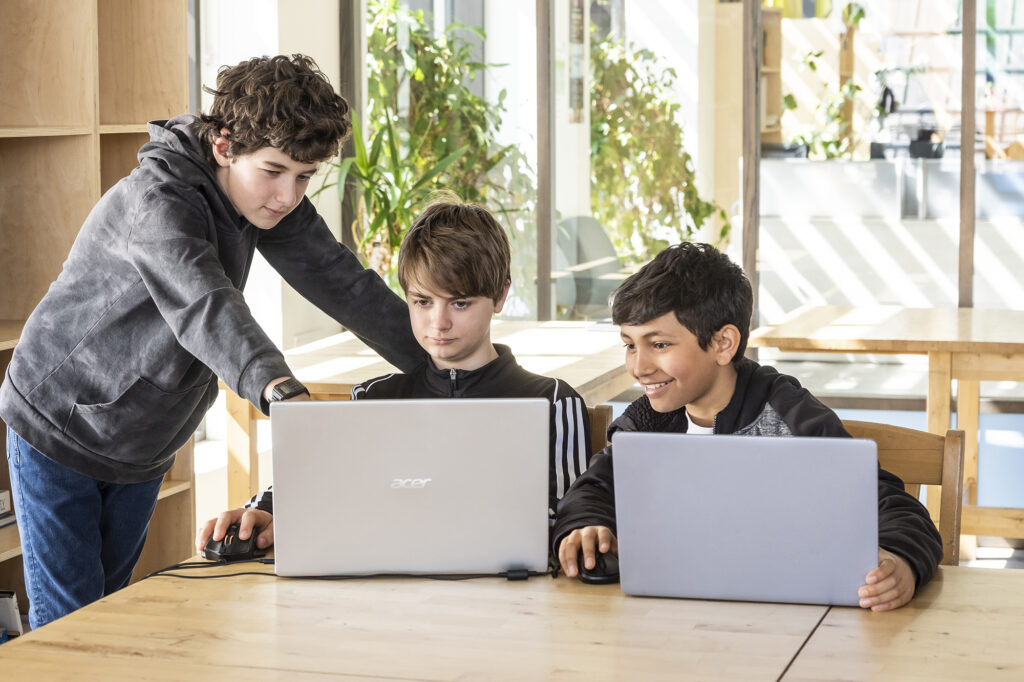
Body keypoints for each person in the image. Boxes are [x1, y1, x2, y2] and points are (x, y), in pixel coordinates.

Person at [0, 54, 424, 628]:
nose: (288, 195)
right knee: (71, 628)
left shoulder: (267, 198)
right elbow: (205, 305)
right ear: (224, 147)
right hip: (59, 421)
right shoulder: (159, 202)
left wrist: (441, 362)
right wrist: (280, 391)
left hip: (143, 439)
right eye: (274, 171)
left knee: (109, 612)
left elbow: (342, 280)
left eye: (304, 177)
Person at [552, 242, 943, 612]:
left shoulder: (790, 416)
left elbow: (892, 505)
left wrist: (901, 561)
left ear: (722, 343)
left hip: (790, 624)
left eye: (659, 345)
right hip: (675, 621)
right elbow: (595, 488)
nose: (639, 367)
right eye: (630, 344)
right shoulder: (646, 424)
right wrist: (587, 525)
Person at [197, 196, 592, 552]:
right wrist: (265, 511)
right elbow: (317, 477)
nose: (438, 323)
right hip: (381, 601)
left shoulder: (553, 401)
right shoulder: (372, 400)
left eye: (460, 303)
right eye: (422, 301)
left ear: (501, 296)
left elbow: (570, 522)